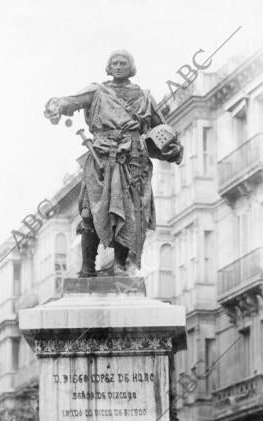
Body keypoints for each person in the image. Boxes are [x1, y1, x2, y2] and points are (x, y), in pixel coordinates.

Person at [44, 50, 183, 277]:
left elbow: (160, 134)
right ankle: (88, 267)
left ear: (131, 67)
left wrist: (172, 150)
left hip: (133, 160)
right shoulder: (97, 91)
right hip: (101, 158)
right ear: (109, 67)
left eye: (123, 63)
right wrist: (58, 105)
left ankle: (119, 265)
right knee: (90, 212)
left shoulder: (145, 97)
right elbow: (73, 101)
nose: (118, 66)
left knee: (129, 214)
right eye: (115, 63)